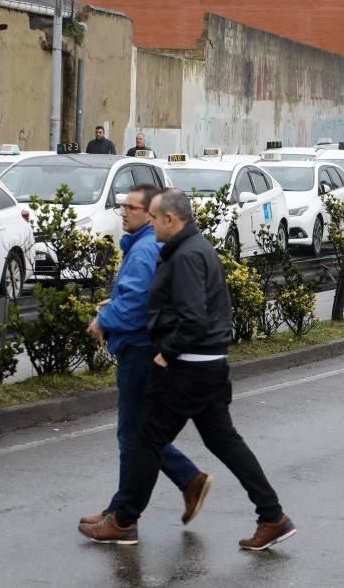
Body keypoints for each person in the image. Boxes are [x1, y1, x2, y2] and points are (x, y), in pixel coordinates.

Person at [79, 189, 295, 550]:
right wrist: (117, 303)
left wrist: (166, 353)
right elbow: (176, 304)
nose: (149, 223)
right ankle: (272, 516)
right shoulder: (190, 249)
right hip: (208, 366)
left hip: (189, 367)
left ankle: (124, 521)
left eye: (153, 218)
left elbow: (193, 317)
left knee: (146, 438)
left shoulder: (187, 256)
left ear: (170, 220)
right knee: (224, 442)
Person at [80, 184, 211, 532]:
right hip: (143, 347)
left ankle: (127, 517)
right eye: (122, 206)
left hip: (139, 349)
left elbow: (136, 303)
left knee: (135, 436)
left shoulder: (142, 250)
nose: (124, 212)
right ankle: (125, 507)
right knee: (139, 433)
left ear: (150, 213)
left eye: (132, 208)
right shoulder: (142, 246)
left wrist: (103, 320)